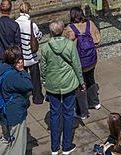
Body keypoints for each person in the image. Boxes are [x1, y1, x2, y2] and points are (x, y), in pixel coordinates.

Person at [40, 20, 84, 155]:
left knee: (54, 114)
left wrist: (44, 81)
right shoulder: (70, 45)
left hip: (52, 84)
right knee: (68, 113)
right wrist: (81, 82)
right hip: (68, 83)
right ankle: (66, 146)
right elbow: (77, 65)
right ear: (63, 30)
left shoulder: (46, 47)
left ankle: (54, 147)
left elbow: (43, 67)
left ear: (51, 32)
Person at [0, 44, 34, 155]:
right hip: (14, 114)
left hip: (2, 111)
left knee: (5, 138)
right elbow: (29, 85)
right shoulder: (12, 75)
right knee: (17, 144)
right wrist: (22, 70)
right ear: (17, 60)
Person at [63, 6, 102, 118]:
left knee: (80, 85)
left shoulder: (70, 28)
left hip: (78, 62)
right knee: (91, 80)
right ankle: (94, 102)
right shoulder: (90, 24)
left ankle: (82, 112)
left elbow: (64, 43)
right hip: (91, 59)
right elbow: (97, 39)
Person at [15, 2, 45, 105]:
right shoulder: (32, 25)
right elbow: (39, 36)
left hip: (20, 57)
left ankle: (24, 99)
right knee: (35, 80)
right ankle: (37, 98)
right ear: (29, 10)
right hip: (31, 57)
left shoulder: (15, 23)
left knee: (22, 79)